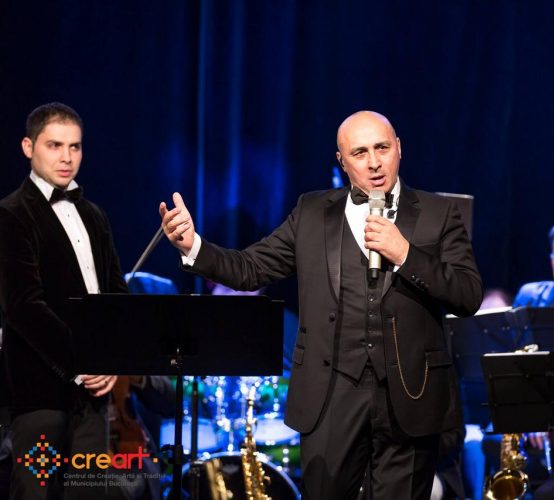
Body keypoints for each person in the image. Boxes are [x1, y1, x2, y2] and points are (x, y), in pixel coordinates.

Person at [159, 110, 483, 499]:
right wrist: (193, 246)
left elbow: (467, 295)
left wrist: (406, 254)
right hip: (332, 395)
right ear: (342, 161)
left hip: (410, 396)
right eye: (360, 152)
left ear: (399, 148)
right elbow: (250, 268)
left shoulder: (437, 213)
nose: (374, 162)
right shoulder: (312, 212)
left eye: (382, 148)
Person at [0, 103, 128, 498]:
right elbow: (24, 307)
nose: (67, 157)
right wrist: (83, 362)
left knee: (88, 493)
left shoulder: (95, 215)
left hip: (93, 398)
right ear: (28, 147)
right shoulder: (11, 214)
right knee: (36, 494)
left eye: (75, 146)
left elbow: (116, 295)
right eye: (54, 145)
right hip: (40, 397)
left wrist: (110, 360)